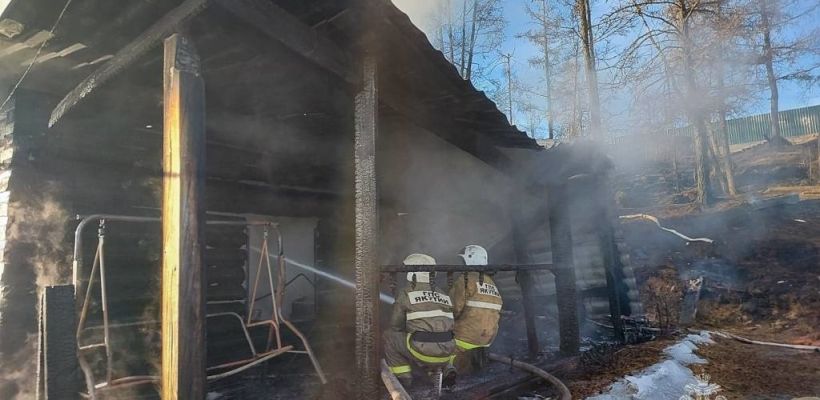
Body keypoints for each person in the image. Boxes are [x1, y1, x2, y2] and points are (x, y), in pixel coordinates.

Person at [383, 253, 456, 388]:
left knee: (389, 336)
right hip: (448, 350)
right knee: (435, 339)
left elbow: (395, 326)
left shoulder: (406, 292)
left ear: (412, 272)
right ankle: (447, 369)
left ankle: (403, 378)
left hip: (423, 350)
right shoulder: (442, 293)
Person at [450, 245, 503, 374]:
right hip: (488, 338)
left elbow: (453, 309)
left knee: (447, 360)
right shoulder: (491, 283)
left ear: (469, 260)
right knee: (476, 371)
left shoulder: (465, 280)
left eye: (462, 261)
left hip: (464, 337)